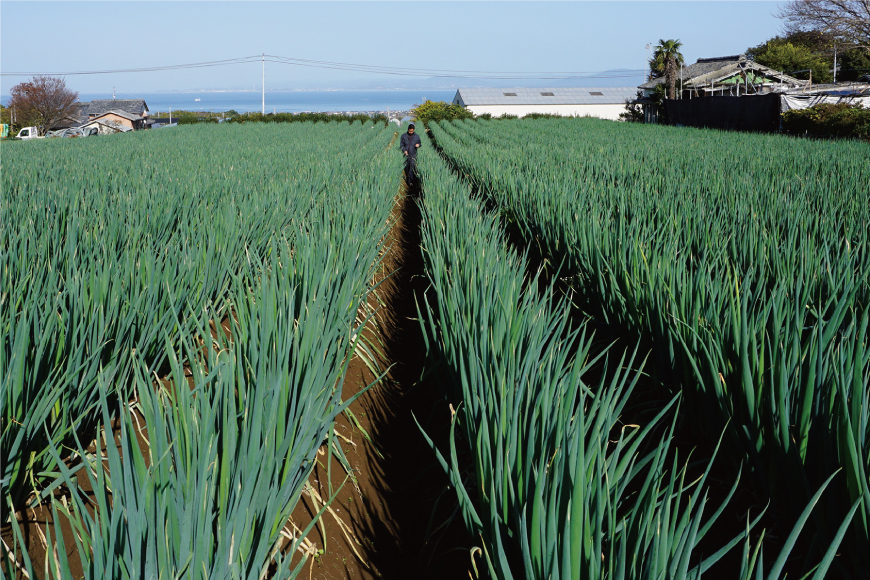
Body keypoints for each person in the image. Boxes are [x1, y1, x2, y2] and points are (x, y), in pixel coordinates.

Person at [400, 122, 421, 188]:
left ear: (414, 130)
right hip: (405, 155)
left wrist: (418, 145)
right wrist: (404, 150)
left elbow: (420, 143)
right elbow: (401, 145)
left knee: (412, 167)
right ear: (408, 129)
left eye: (412, 131)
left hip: (413, 154)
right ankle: (408, 179)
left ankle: (410, 182)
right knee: (406, 168)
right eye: (410, 131)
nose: (411, 132)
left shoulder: (417, 136)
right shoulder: (403, 136)